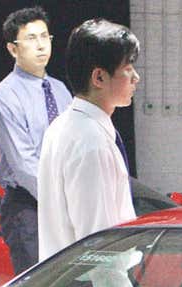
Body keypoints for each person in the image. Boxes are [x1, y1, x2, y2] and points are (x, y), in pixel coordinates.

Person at [36, 19, 139, 262]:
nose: (136, 77)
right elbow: (99, 246)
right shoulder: (91, 142)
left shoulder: (63, 127)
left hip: (67, 282)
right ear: (99, 77)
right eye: (128, 67)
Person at [0, 7, 73, 272]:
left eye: (45, 37)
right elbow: (24, 165)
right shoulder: (6, 97)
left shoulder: (60, 90)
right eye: (31, 39)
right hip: (28, 208)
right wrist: (63, 201)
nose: (40, 46)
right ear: (13, 49)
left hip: (64, 200)